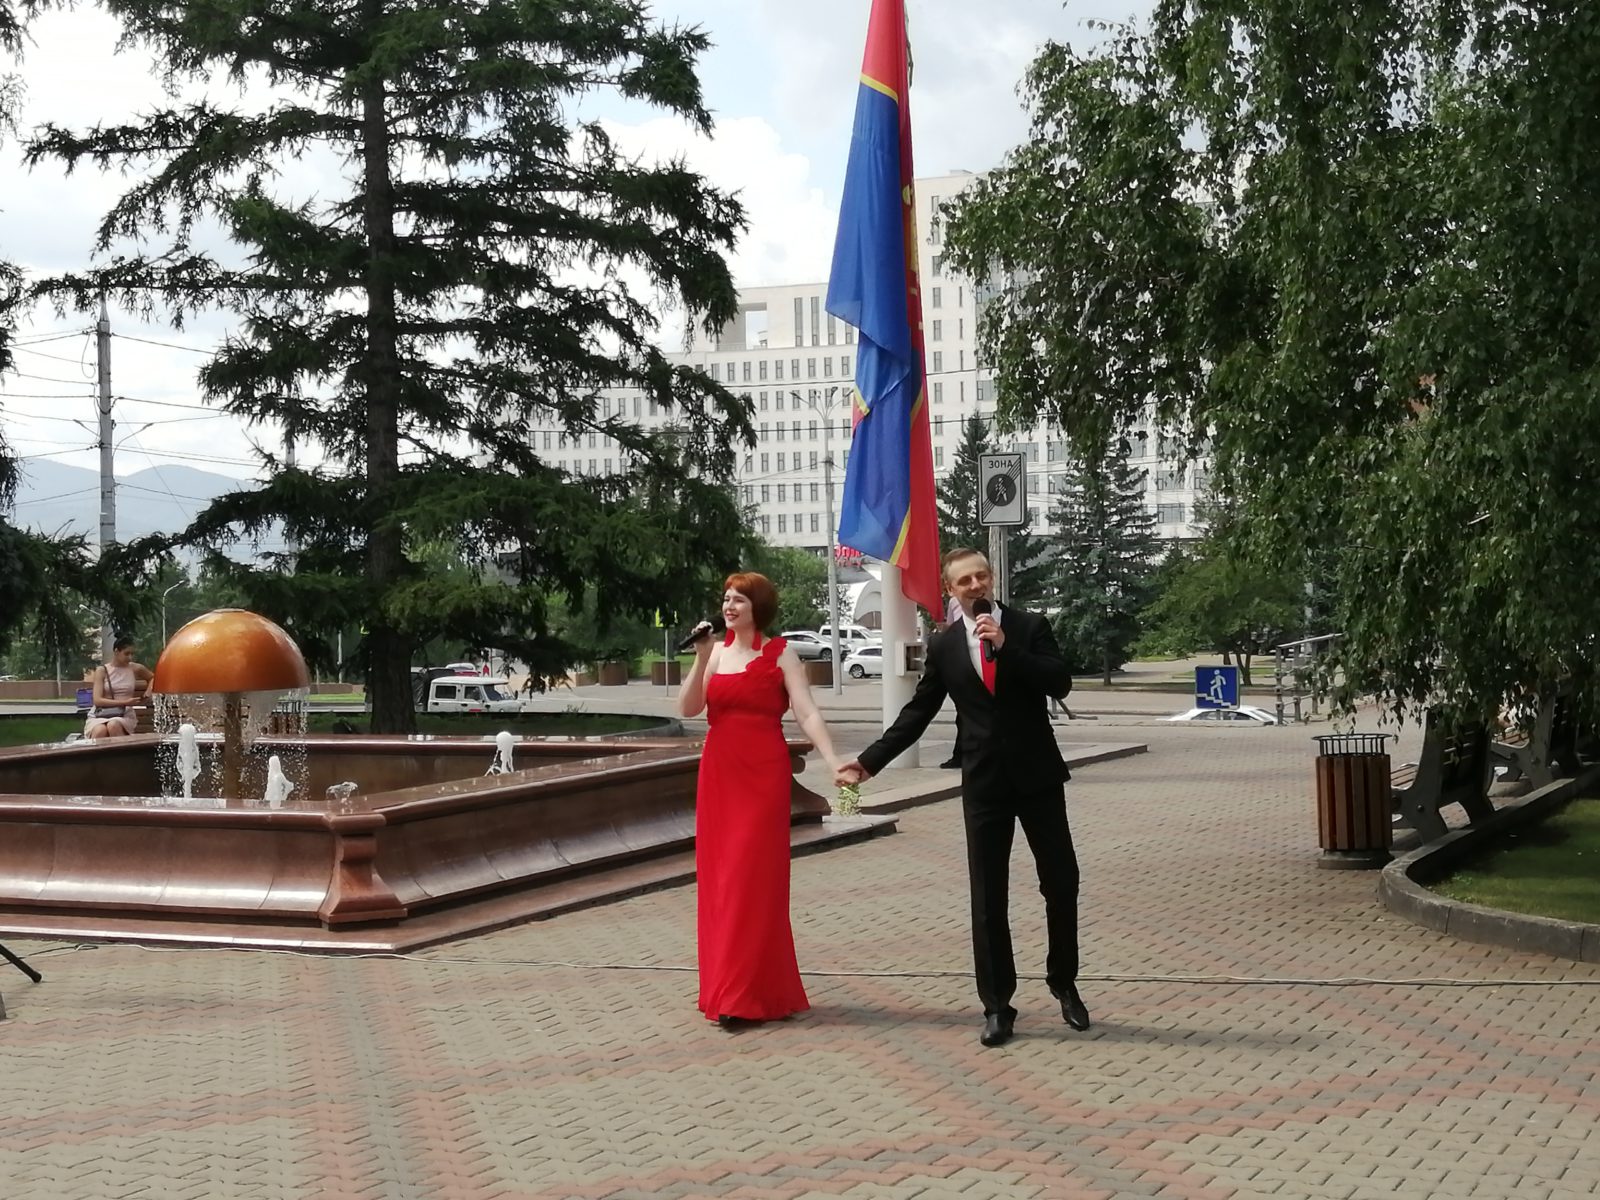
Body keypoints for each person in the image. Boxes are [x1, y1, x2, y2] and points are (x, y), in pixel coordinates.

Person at [837, 547, 1086, 1047]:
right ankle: (997, 1006)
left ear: (991, 579)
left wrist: (1007, 647)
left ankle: (1063, 981)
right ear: (950, 590)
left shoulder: (1028, 626)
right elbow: (918, 712)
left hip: (1037, 777)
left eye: (981, 576)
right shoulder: (945, 645)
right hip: (985, 784)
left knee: (1061, 884)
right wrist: (868, 762)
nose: (976, 586)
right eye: (964, 581)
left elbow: (1059, 682)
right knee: (988, 897)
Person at [678, 571, 848, 1029]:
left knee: (751, 879)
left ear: (759, 608)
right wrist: (700, 656)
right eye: (726, 599)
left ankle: (746, 994)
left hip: (763, 775)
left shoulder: (780, 653)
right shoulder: (715, 653)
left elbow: (806, 711)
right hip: (720, 774)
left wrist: (833, 760)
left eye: (739, 599)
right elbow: (688, 708)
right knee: (722, 880)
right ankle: (731, 991)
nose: (729, 606)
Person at [84, 636, 153, 740]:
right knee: (99, 730)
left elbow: (153, 678)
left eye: (132, 654)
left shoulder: (135, 668)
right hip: (101, 714)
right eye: (126, 654)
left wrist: (148, 692)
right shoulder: (102, 670)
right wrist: (125, 702)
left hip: (124, 714)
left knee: (113, 725)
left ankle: (121, 751)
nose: (130, 657)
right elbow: (97, 700)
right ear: (116, 651)